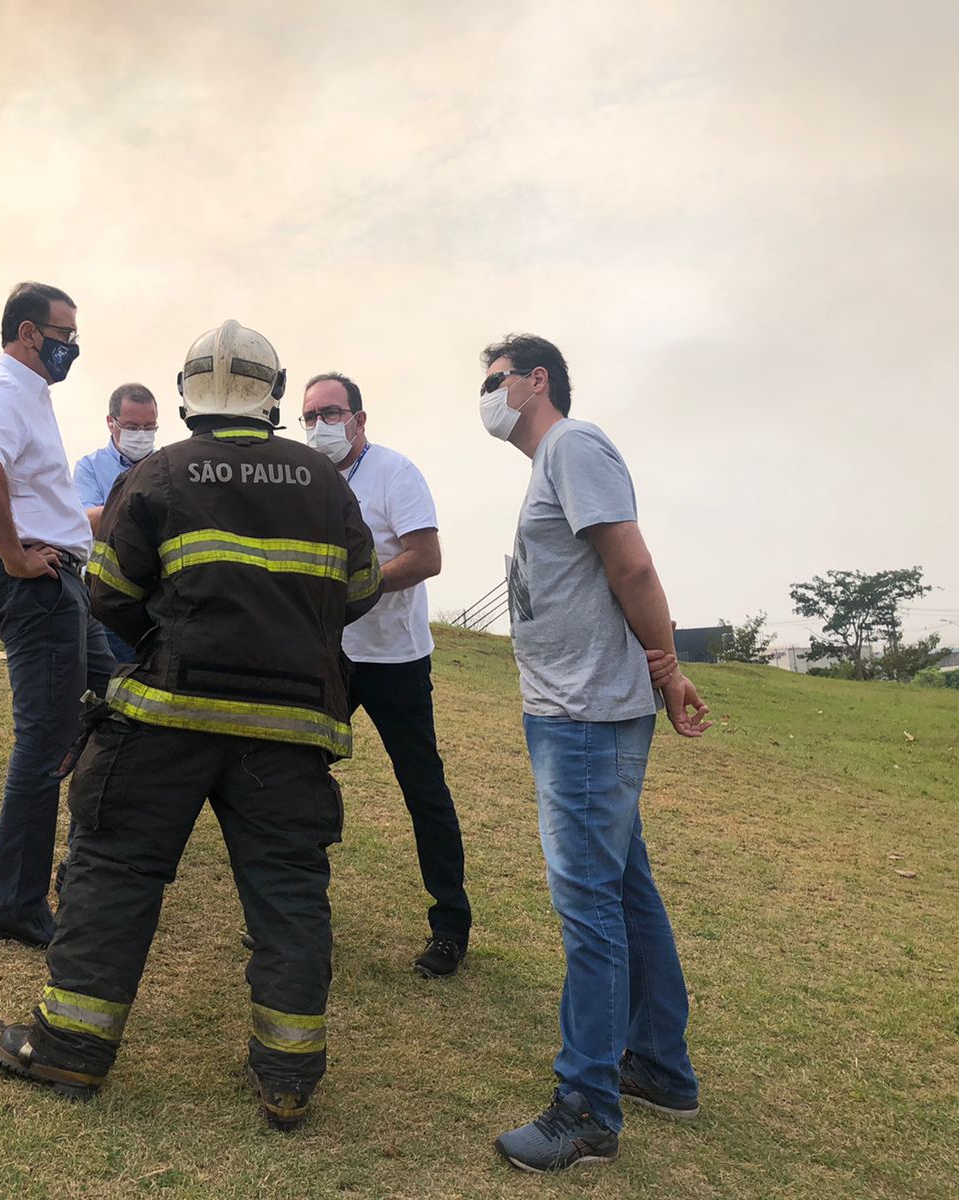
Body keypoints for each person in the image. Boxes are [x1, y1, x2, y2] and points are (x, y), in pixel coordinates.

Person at [0, 319, 382, 1130]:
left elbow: (109, 593)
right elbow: (362, 589)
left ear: (189, 393)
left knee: (118, 871)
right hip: (294, 729)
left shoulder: (159, 474)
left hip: (168, 712)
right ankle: (289, 1079)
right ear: (273, 392)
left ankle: (69, 1049)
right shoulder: (325, 482)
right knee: (289, 894)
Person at [474, 333, 709, 1173]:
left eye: (496, 380)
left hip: (585, 719)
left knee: (592, 911)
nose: (487, 394)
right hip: (571, 711)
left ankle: (587, 1109)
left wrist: (669, 667)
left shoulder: (575, 445)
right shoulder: (551, 464)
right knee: (624, 891)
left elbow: (632, 567)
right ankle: (659, 1066)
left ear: (538, 382)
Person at [0, 281, 115, 951]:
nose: (71, 346)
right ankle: (15, 904)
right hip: (33, 584)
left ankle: (90, 858)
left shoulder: (30, 397)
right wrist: (15, 554)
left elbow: (54, 507)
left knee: (118, 693)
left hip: (62, 581)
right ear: (28, 334)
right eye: (64, 333)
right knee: (43, 742)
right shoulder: (5, 390)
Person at [300, 372, 473, 978]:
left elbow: (427, 557)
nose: (320, 425)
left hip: (396, 659)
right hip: (330, 659)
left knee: (423, 790)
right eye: (310, 415)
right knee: (296, 778)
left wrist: (354, 588)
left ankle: (451, 926)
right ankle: (296, 914)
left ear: (359, 419)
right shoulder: (307, 476)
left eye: (331, 413)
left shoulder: (396, 473)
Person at [72, 382, 160, 663]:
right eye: (133, 426)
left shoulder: (166, 466)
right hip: (106, 596)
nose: (142, 435)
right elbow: (87, 521)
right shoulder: (90, 467)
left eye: (150, 427)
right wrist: (141, 508)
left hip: (155, 596)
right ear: (111, 423)